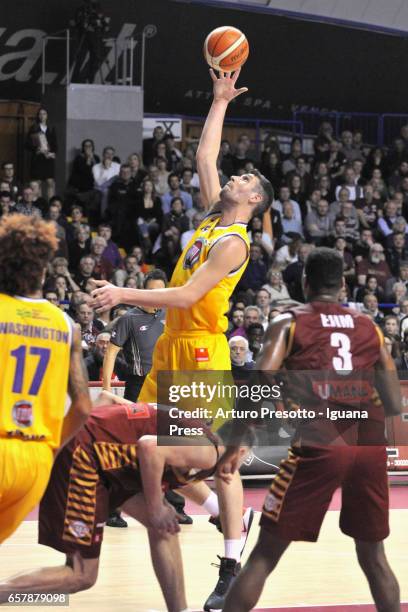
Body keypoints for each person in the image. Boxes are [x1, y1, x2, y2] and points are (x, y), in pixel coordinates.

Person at [91, 68, 272, 611]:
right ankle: (224, 512)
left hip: (198, 350)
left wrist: (124, 295)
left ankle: (233, 562)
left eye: (243, 181)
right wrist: (218, 101)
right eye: (234, 178)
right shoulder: (218, 218)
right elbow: (204, 160)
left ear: (255, 200)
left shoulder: (235, 243)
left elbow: (189, 296)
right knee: (149, 450)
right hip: (172, 345)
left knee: (219, 467)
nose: (233, 180)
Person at [218, 247, 401, 612]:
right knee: (374, 555)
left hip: (321, 442)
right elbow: (395, 401)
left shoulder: (290, 321)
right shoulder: (370, 327)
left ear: (304, 282)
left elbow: (261, 381)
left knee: (264, 556)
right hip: (368, 445)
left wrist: (238, 439)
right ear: (344, 285)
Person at [0, 391, 254, 610]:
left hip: (99, 461)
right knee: (81, 576)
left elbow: (105, 398)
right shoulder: (210, 452)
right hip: (84, 459)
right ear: (241, 450)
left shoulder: (190, 436)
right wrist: (154, 506)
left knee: (164, 528)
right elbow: (149, 448)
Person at [0, 214, 92, 545]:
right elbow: (82, 407)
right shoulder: (67, 326)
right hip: (36, 461)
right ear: (44, 269)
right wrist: (51, 449)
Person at [102, 270, 167, 401]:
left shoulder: (170, 313)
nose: (157, 295)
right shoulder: (129, 318)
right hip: (138, 384)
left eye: (161, 291)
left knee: (168, 421)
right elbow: (110, 353)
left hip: (166, 382)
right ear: (143, 291)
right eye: (152, 291)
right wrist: (106, 388)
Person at [26, 108, 57, 200]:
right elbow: (27, 144)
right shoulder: (34, 128)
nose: (42, 116)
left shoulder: (51, 128)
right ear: (38, 116)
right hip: (38, 159)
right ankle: (40, 204)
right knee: (37, 183)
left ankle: (51, 204)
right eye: (40, 114)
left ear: (47, 116)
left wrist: (53, 153)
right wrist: (36, 149)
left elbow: (55, 144)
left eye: (44, 114)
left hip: (48, 158)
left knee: (50, 182)